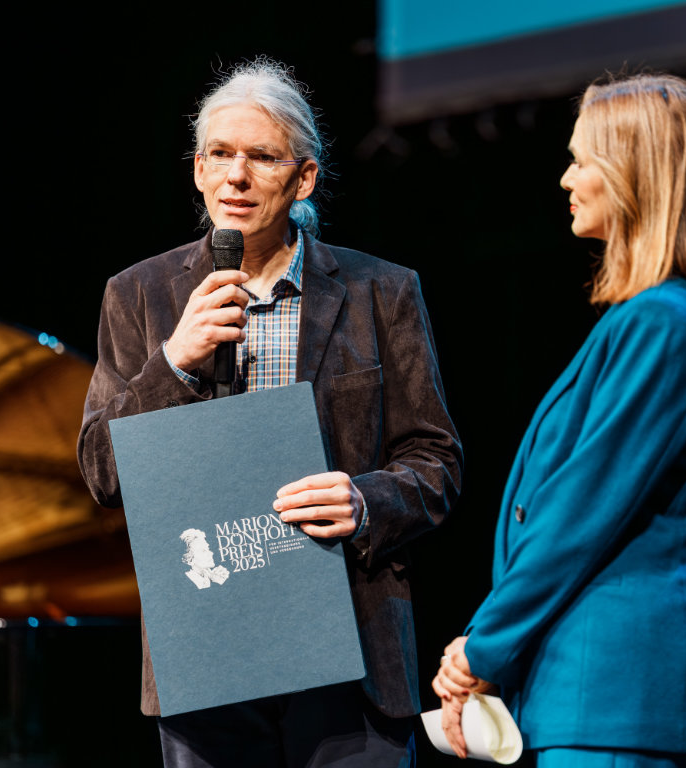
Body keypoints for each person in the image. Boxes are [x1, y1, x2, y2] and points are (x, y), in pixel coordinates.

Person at [77, 57, 462, 767]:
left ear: (303, 177)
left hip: (348, 645)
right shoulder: (139, 296)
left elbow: (436, 462)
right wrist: (174, 363)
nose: (237, 176)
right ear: (196, 170)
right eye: (219, 155)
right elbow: (102, 471)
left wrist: (364, 498)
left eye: (260, 157)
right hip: (207, 653)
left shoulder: (383, 291)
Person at [432, 73, 686, 768]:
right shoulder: (652, 321)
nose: (566, 179)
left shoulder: (663, 324)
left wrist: (482, 646)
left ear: (633, 177)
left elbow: (579, 513)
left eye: (582, 160)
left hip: (616, 704)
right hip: (594, 700)